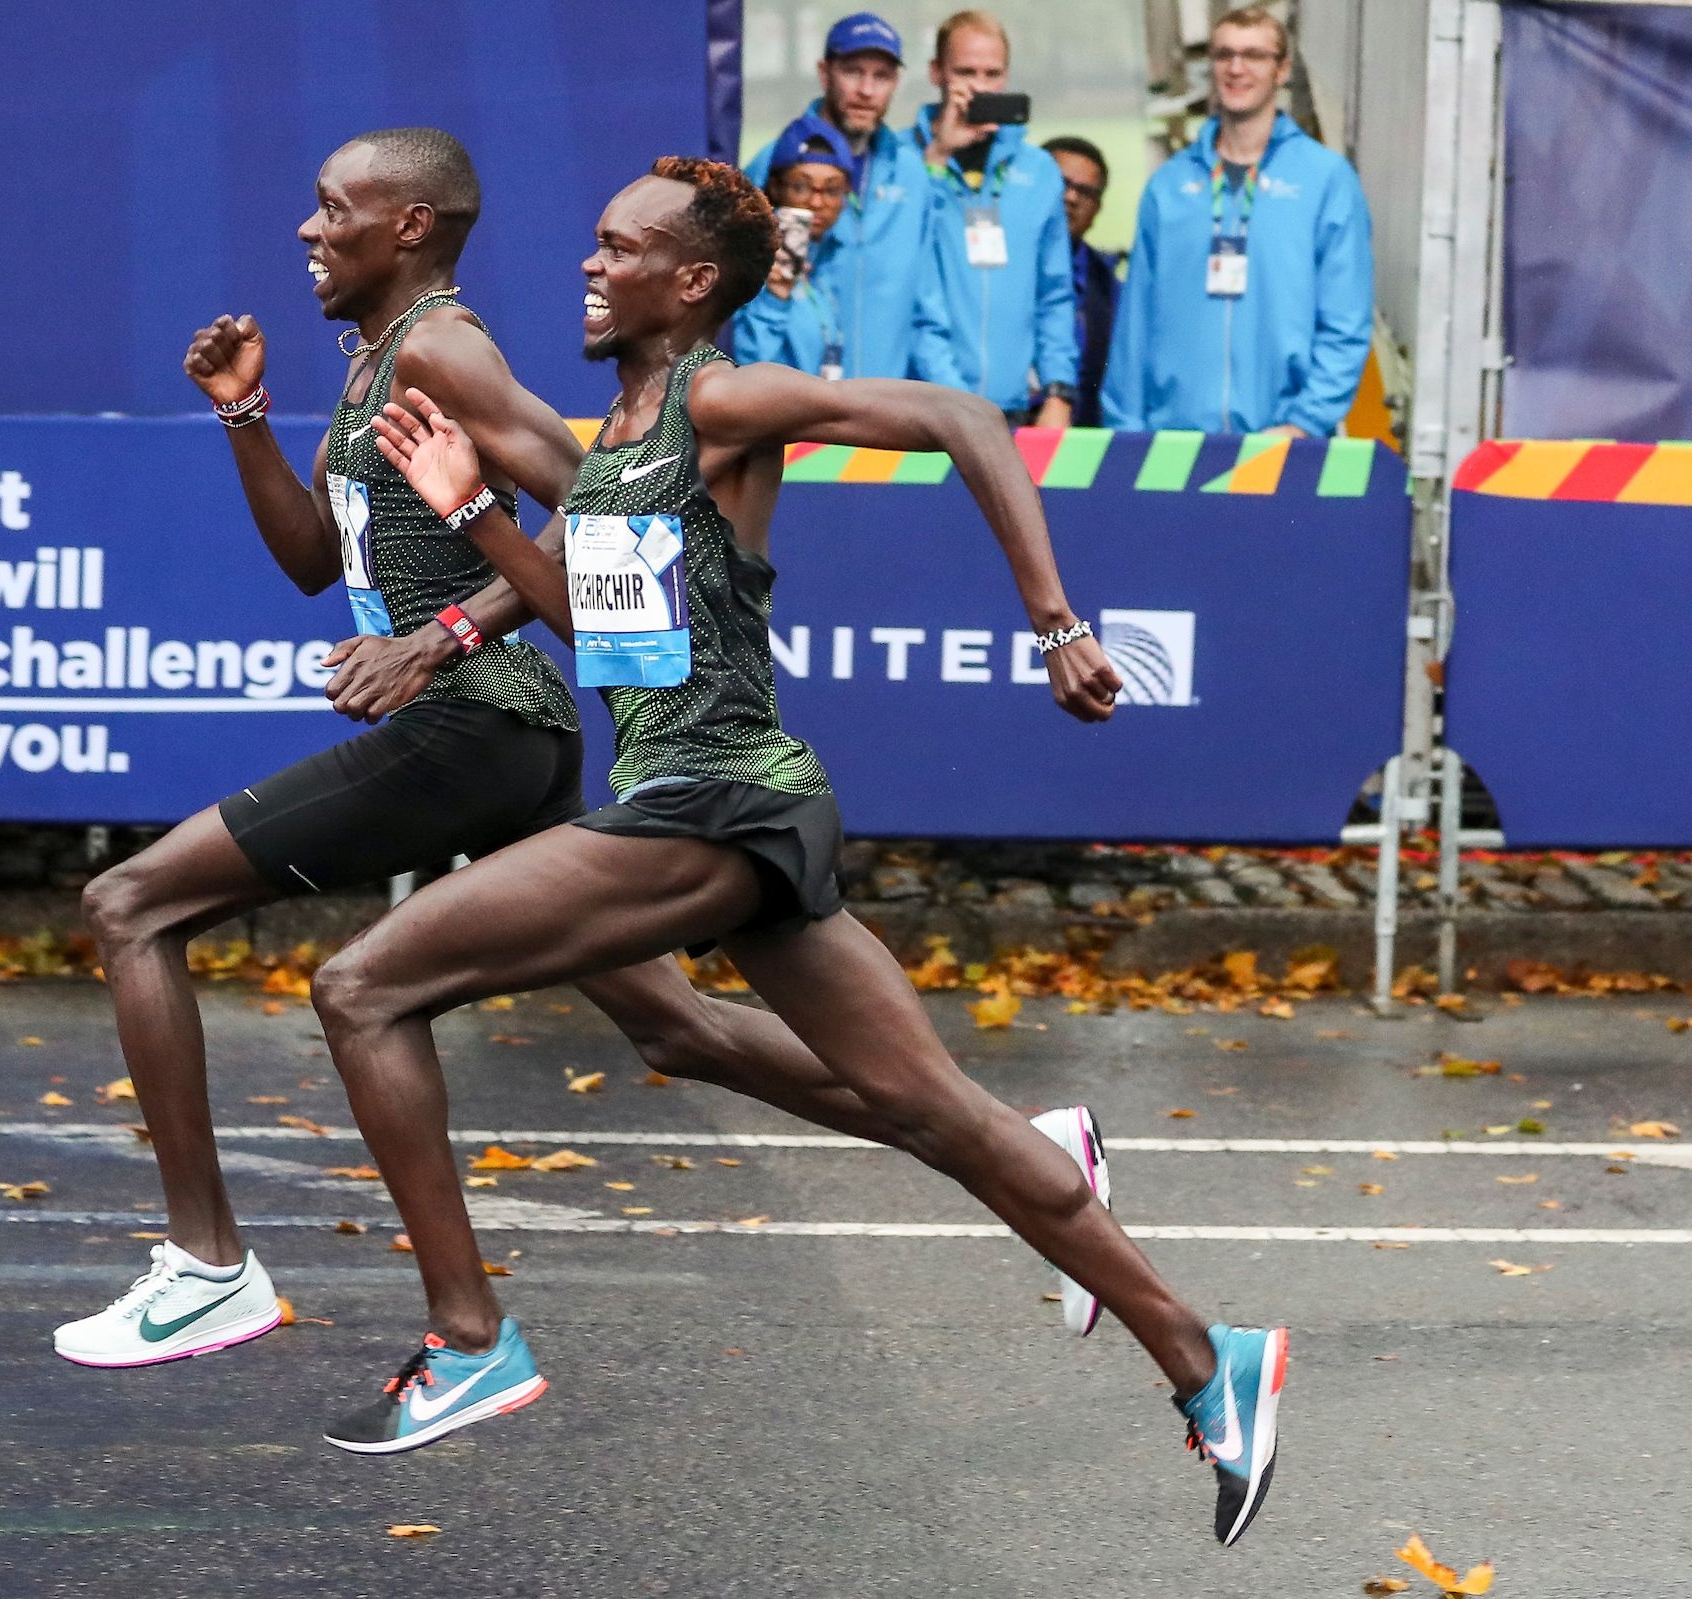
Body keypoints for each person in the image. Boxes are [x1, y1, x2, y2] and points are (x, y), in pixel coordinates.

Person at [328, 157, 1288, 1549]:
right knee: (934, 1114)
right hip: (728, 804)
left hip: (713, 802)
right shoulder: (621, 433)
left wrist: (1056, 619)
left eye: (617, 247)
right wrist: (473, 510)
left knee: (365, 986)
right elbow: (605, 643)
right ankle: (1212, 1359)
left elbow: (961, 413)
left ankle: (468, 1335)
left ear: (693, 279)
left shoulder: (720, 396)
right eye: (591, 242)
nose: (588, 267)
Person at [52, 128, 1112, 1374]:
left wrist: (443, 636)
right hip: (502, 730)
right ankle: (1036, 1156)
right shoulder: (370, 361)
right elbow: (311, 566)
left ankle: (214, 1268)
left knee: (132, 904)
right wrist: (242, 417)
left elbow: (602, 517)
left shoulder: (444, 348)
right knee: (680, 1031)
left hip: (479, 718)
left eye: (332, 205)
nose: (304, 227)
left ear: (407, 227)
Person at [1100, 5, 1373, 436]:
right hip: (1173, 441)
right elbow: (1136, 324)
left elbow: (1346, 320)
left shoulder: (1325, 180)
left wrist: (1305, 422)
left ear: (1281, 70)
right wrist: (1126, 428)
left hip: (1284, 442)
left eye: (1253, 55)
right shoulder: (1170, 185)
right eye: (1224, 55)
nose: (1236, 68)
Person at [741, 13, 948, 380]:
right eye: (853, 71)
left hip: (883, 416)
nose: (866, 90)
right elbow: (741, 306)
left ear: (896, 83)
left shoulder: (911, 173)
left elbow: (927, 308)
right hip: (794, 416)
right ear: (825, 73)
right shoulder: (772, 164)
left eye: (881, 76)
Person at [908, 10, 1078, 426]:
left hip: (1013, 410)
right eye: (965, 72)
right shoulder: (902, 160)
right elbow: (901, 272)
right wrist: (938, 157)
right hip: (920, 404)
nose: (979, 87)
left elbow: (1054, 292)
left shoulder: (1037, 171)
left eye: (992, 73)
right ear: (936, 73)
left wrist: (1058, 390)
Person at [731, 114, 858, 376]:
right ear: (775, 187)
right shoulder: (751, 260)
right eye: (802, 186)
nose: (817, 202)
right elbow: (750, 367)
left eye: (832, 190)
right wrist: (774, 298)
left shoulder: (826, 261)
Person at [1044, 135, 1119, 428]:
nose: (1071, 198)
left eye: (1085, 192)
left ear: (1098, 209)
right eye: (1061, 184)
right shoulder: (994, 269)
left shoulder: (1108, 286)